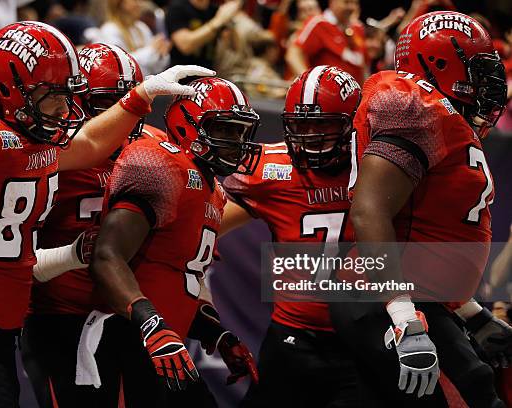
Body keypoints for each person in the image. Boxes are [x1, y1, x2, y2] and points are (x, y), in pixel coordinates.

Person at [0, 20, 213, 407]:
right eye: (51, 95)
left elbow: (94, 140)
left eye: (69, 96)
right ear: (8, 87)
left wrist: (143, 93)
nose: (64, 109)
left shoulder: (37, 144)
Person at [330, 11, 510, 407]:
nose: (486, 83)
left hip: (415, 296)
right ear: (439, 62)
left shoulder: (439, 114)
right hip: (389, 297)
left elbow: (426, 230)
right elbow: (370, 211)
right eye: (476, 69)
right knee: (472, 391)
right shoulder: (414, 102)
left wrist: (473, 313)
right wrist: (403, 316)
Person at [89, 77, 261, 406]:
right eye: (226, 130)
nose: (236, 142)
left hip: (166, 344)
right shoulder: (161, 164)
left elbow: (169, 279)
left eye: (241, 132)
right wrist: (151, 325)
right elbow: (107, 257)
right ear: (187, 127)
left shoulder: (211, 188)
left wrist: (216, 334)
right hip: (125, 338)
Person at [20, 42, 167, 408]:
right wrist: (70, 255)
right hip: (60, 319)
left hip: (129, 318)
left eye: (128, 104)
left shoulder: (157, 150)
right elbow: (10, 258)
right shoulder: (48, 152)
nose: (122, 118)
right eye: (107, 105)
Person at [220, 65, 366, 407]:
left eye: (324, 124)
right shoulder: (273, 169)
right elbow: (207, 221)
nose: (311, 136)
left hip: (362, 339)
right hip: (294, 336)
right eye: (302, 125)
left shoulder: (377, 165)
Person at [285, 0, 366, 83]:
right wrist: (310, 83)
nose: (351, 7)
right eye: (346, 2)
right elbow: (293, 54)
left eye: (355, 3)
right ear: (332, 2)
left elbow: (363, 65)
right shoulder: (319, 23)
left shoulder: (358, 28)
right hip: (326, 93)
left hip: (354, 93)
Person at [86, 0, 170, 76]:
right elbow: (119, 66)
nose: (139, 4)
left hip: (145, 84)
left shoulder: (141, 27)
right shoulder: (109, 29)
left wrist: (161, 54)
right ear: (120, 3)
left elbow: (154, 68)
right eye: (135, 0)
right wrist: (151, 50)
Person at [165, 0, 241, 69]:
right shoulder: (178, 8)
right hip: (181, 77)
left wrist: (230, 18)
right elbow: (185, 46)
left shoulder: (215, 10)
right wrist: (218, 21)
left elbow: (235, 46)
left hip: (207, 75)